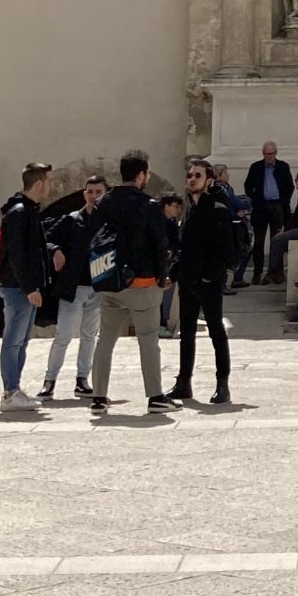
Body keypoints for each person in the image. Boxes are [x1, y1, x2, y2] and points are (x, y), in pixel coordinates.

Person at [87, 152, 173, 412]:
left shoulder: (103, 203)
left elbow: (92, 240)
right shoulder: (148, 205)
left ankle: (99, 397)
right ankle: (155, 396)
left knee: (105, 341)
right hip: (143, 283)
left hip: (109, 281)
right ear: (141, 174)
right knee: (148, 339)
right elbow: (160, 244)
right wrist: (163, 275)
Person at [173, 158, 236, 405]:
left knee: (216, 332)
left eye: (197, 175)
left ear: (208, 180)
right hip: (187, 281)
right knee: (186, 334)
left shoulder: (218, 209)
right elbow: (184, 247)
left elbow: (225, 251)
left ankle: (223, 384)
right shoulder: (189, 210)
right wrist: (176, 271)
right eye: (190, 175)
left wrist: (209, 276)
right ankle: (183, 383)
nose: (192, 179)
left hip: (209, 283)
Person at [38, 172, 106, 403]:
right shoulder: (71, 219)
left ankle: (82, 380)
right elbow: (45, 238)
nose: (93, 196)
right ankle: (49, 381)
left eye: (98, 192)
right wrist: (55, 250)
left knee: (90, 336)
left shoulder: (108, 222)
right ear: (84, 194)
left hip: (97, 288)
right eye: (90, 191)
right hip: (73, 287)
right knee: (63, 335)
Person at [0, 163, 53, 412]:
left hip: (24, 287)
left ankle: (15, 388)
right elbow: (18, 255)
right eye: (49, 181)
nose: (51, 186)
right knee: (13, 340)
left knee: (21, 341)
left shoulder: (27, 210)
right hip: (17, 288)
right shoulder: (19, 213)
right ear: (39, 183)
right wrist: (30, 287)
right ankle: (10, 392)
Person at [243, 141, 293, 284]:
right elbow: (248, 185)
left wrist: (284, 202)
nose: (268, 157)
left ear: (276, 153)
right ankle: (257, 273)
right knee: (259, 242)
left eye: (271, 154)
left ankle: (275, 272)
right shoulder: (256, 167)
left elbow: (289, 186)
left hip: (277, 206)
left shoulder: (283, 167)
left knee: (276, 240)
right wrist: (255, 199)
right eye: (266, 154)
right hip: (261, 207)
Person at [217, 171, 254, 291]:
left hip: (235, 222)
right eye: (225, 173)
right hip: (231, 224)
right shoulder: (219, 189)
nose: (228, 175)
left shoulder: (228, 187)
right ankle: (226, 282)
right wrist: (240, 208)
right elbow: (230, 203)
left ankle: (237, 278)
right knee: (235, 252)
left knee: (245, 250)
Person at [158, 192, 185, 332]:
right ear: (166, 206)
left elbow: (175, 243)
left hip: (168, 263)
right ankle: (160, 324)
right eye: (175, 206)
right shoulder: (156, 221)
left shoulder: (172, 222)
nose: (178, 210)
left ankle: (164, 321)